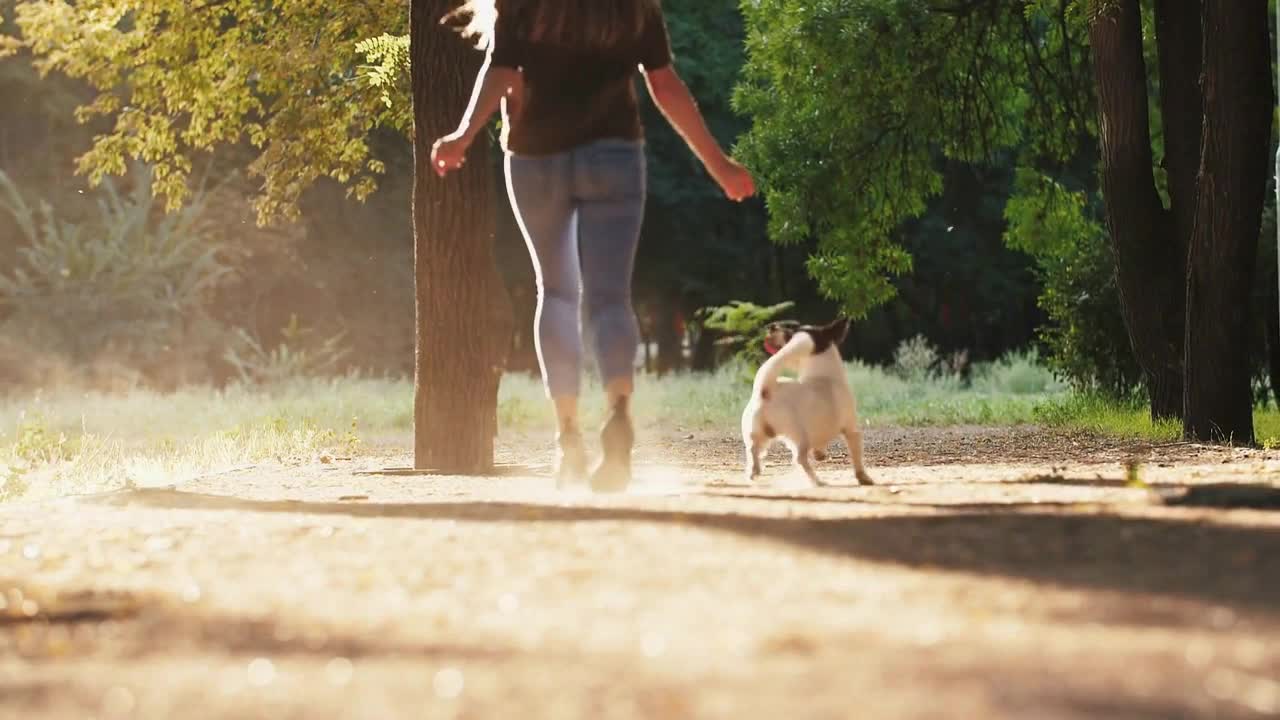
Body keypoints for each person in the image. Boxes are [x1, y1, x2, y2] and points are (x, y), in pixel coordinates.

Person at [432, 0, 756, 492]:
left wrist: (462, 135)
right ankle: (620, 417)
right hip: (614, 155)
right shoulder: (635, 8)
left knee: (556, 292)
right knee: (610, 298)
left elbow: (499, 72)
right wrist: (720, 165)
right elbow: (664, 84)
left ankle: (568, 439)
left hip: (536, 155)